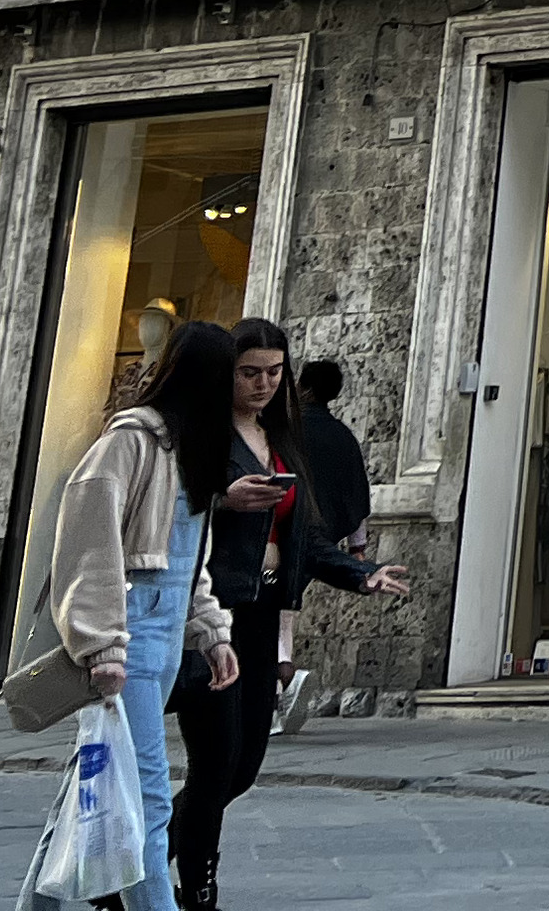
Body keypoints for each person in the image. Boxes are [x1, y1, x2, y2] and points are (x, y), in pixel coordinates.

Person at [167, 322, 406, 911]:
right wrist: (223, 500)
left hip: (263, 611)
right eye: (250, 372)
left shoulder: (282, 438)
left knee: (243, 768)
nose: (263, 384)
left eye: (275, 373)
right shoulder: (200, 436)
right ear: (228, 371)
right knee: (216, 763)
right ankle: (195, 888)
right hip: (212, 611)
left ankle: (134, 859)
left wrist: (360, 573)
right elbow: (165, 512)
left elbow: (307, 535)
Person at [44, 319, 260, 905]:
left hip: (164, 632)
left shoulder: (193, 449)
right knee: (147, 794)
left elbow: (190, 558)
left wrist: (212, 632)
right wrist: (102, 645)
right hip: (132, 628)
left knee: (92, 786)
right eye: (232, 377)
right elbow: (89, 546)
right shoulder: (132, 441)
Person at [282, 358, 374, 735]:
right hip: (323, 537)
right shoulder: (344, 437)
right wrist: (357, 549)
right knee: (285, 605)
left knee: (274, 606)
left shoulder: (287, 429)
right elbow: (358, 492)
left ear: (302, 386)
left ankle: (283, 680)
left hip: (280, 530)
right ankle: (283, 677)